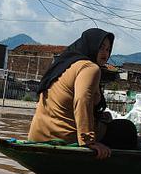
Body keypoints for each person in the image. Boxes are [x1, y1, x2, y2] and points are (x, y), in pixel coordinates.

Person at [27, 28, 117, 159]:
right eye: (101, 48)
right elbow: (82, 100)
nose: (105, 53)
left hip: (36, 135)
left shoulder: (64, 65)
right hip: (65, 137)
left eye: (108, 50)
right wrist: (88, 141)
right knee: (126, 129)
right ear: (91, 46)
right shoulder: (90, 68)